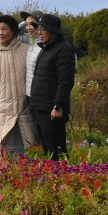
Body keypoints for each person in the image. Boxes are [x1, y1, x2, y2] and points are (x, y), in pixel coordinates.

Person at [27, 13, 76, 159]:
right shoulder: (47, 48)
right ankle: (51, 173)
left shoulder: (64, 49)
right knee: (47, 149)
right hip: (40, 106)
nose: (39, 33)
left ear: (53, 31)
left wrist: (58, 106)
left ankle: (63, 172)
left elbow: (66, 81)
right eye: (38, 29)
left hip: (52, 109)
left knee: (57, 149)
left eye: (43, 29)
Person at [0, 15, 28, 154]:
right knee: (6, 145)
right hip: (3, 107)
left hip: (24, 106)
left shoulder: (25, 49)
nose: (0, 33)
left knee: (28, 144)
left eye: (4, 29)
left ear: (13, 30)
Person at [16, 11, 41, 152]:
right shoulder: (28, 41)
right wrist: (24, 24)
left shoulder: (46, 43)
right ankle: (35, 158)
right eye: (27, 24)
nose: (29, 27)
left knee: (44, 132)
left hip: (43, 96)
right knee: (32, 132)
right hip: (29, 95)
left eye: (33, 24)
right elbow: (13, 33)